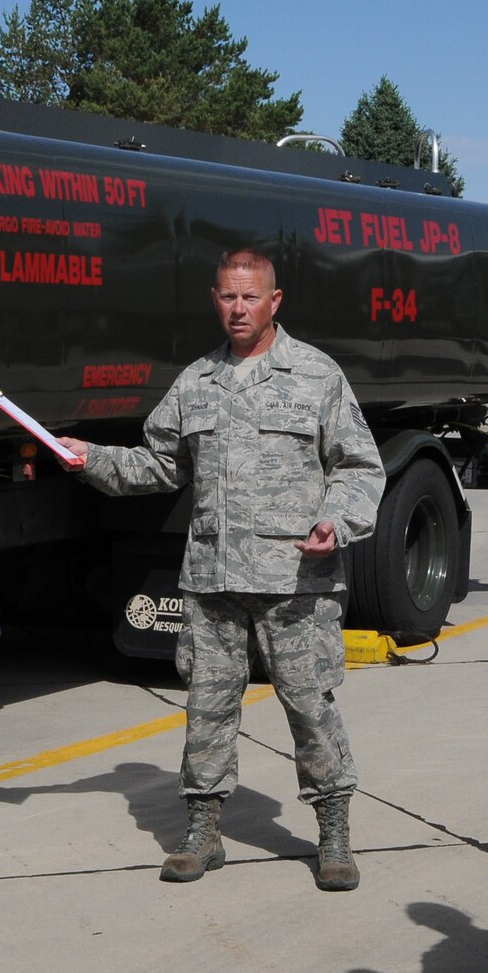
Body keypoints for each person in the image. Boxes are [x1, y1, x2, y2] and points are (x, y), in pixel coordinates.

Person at [57, 247, 385, 891]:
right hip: (212, 581)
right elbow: (158, 466)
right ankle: (203, 832)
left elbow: (359, 468)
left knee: (310, 708)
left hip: (295, 581)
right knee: (206, 709)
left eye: (250, 297)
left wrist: (335, 521)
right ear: (216, 300)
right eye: (228, 297)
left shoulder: (315, 376)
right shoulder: (195, 382)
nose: (238, 309)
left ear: (274, 302)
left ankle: (334, 833)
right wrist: (89, 458)